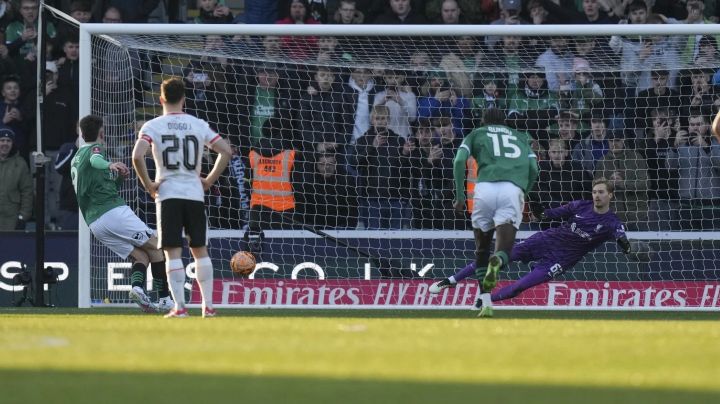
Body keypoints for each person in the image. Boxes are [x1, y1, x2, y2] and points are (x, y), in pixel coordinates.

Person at [431, 179, 632, 315]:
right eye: (595, 192)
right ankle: (451, 280)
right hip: (545, 240)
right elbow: (551, 214)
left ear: (610, 196)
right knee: (497, 259)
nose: (597, 195)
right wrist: (539, 212)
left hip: (562, 259)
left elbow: (622, 239)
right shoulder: (581, 205)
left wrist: (627, 248)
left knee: (520, 287)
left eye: (601, 192)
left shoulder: (611, 222)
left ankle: (485, 300)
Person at [132, 77, 232, 318]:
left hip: (168, 195)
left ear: (161, 99)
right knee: (200, 250)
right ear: (184, 99)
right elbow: (226, 151)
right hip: (194, 194)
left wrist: (149, 184)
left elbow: (137, 156)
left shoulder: (152, 126)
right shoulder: (197, 124)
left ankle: (180, 308)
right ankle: (208, 307)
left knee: (172, 252)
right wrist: (208, 180)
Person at [71, 115, 172, 313]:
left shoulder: (76, 158)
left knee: (141, 256)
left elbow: (102, 183)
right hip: (112, 212)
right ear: (102, 132)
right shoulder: (94, 150)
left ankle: (136, 289)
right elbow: (96, 159)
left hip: (95, 223)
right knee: (157, 248)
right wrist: (110, 164)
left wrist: (118, 179)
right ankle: (165, 300)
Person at [452, 108, 538, 317]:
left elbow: (458, 161)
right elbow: (534, 168)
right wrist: (523, 192)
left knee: (482, 249)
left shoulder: (476, 133)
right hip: (512, 190)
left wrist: (460, 196)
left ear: (483, 120)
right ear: (505, 122)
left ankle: (486, 302)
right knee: (503, 251)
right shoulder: (521, 137)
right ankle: (497, 261)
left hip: (484, 190)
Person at [0, 126, 31, 230]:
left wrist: (23, 217)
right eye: (2, 140)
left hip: (12, 219)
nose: (5, 143)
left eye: (8, 141)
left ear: (12, 143)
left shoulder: (20, 164)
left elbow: (27, 192)